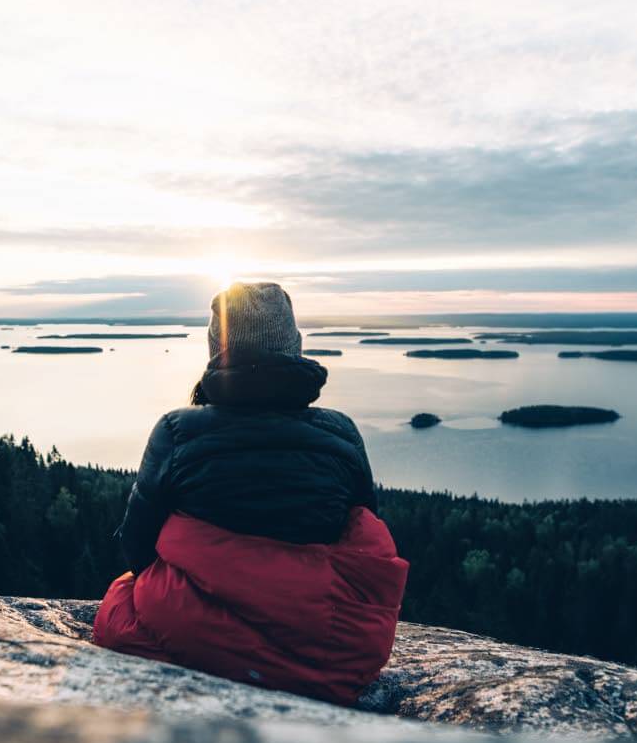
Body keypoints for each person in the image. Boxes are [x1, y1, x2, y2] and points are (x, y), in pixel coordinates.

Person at [92, 281, 408, 705]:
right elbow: (358, 543)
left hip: (199, 639)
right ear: (293, 347)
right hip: (325, 645)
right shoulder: (342, 432)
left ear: (217, 349)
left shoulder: (176, 430)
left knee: (120, 602)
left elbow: (137, 547)